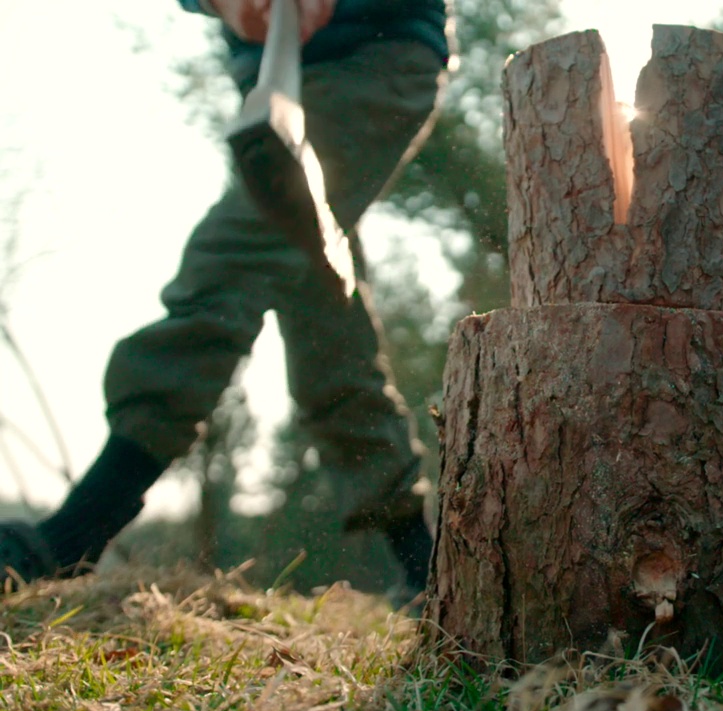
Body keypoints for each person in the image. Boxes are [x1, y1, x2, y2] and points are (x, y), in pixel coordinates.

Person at [0, 0, 450, 603]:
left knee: (227, 264)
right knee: (325, 332)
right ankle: (425, 569)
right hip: (279, 82)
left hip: (371, 60)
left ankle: (68, 541)